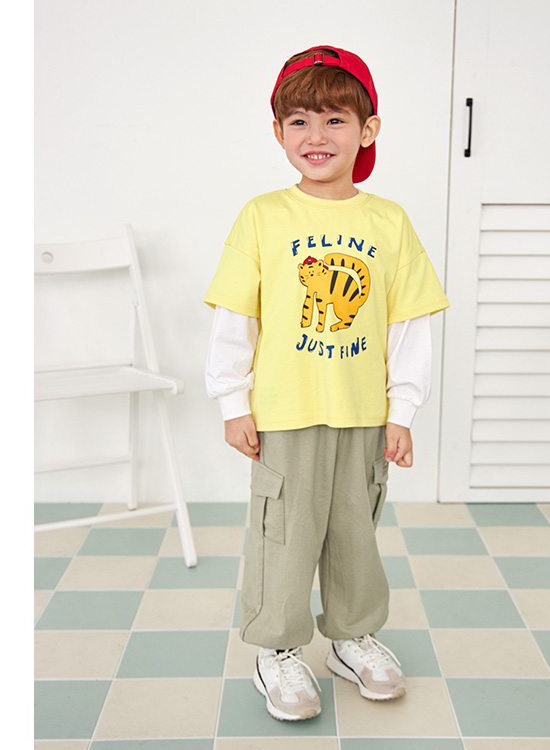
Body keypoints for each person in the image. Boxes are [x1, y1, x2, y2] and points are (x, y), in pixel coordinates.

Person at [204, 45, 449, 722]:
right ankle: (277, 649)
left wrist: (402, 410)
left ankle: (351, 637)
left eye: (335, 119)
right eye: (299, 121)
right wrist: (232, 400)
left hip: (362, 413)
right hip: (284, 413)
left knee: (353, 534)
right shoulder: (263, 216)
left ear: (368, 130)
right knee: (284, 535)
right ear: (278, 132)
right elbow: (235, 317)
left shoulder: (389, 222)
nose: (317, 136)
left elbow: (409, 327)